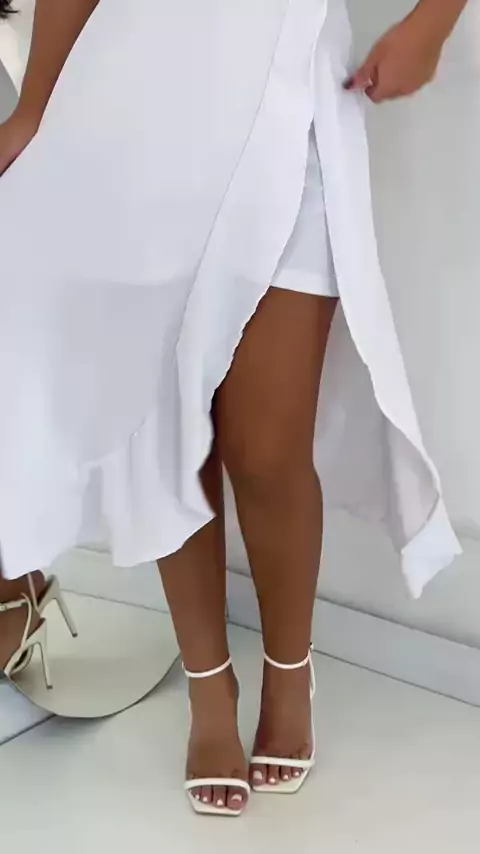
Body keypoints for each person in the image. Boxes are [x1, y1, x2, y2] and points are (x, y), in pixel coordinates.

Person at [0, 0, 466, 816]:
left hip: (289, 105)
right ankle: (209, 687)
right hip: (134, 116)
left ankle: (290, 670)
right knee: (166, 426)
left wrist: (432, 23)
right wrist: (37, 105)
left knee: (265, 447)